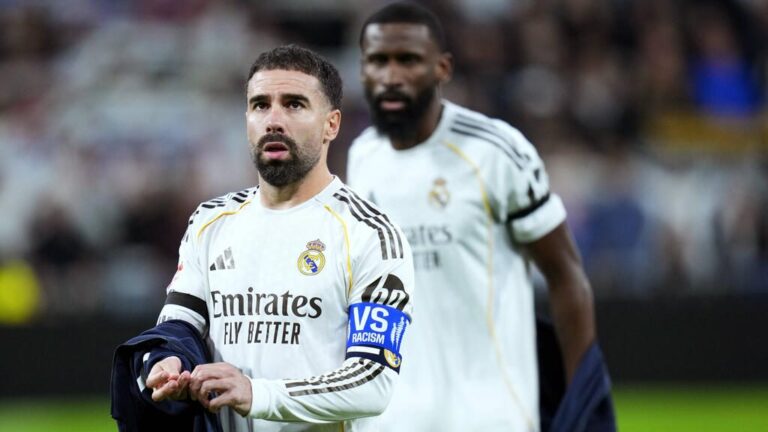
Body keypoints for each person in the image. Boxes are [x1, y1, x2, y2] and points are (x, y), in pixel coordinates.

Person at [112, 45, 414, 432]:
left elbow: (373, 380)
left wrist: (258, 394)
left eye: (294, 105)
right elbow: (179, 326)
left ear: (331, 124)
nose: (273, 120)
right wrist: (166, 363)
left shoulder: (370, 234)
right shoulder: (210, 222)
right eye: (260, 105)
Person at [348, 3, 608, 431]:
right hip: (394, 420)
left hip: (491, 416)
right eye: (378, 61)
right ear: (362, 71)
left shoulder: (497, 151)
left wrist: (581, 404)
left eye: (408, 60)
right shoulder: (363, 158)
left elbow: (566, 276)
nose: (391, 76)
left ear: (442, 68)